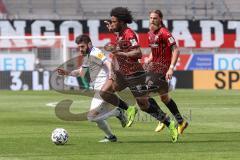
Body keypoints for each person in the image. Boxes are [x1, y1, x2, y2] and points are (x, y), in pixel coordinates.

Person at [101, 7, 178, 142]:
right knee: (104, 93)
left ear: (122, 22)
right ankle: (129, 109)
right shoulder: (120, 32)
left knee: (144, 105)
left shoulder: (129, 34)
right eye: (111, 22)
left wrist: (121, 53)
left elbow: (138, 53)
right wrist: (113, 30)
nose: (111, 24)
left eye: (114, 22)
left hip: (133, 73)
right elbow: (120, 41)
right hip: (121, 73)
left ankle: (168, 122)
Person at [57, 34, 127, 142]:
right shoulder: (88, 56)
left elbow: (107, 62)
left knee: (91, 117)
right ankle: (111, 137)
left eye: (82, 46)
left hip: (103, 89)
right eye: (79, 47)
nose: (80, 49)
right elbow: (80, 72)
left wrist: (110, 74)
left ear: (89, 44)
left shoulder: (95, 52)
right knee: (97, 118)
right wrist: (67, 73)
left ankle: (118, 112)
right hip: (98, 91)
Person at [145, 9, 188, 134]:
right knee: (164, 98)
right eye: (151, 18)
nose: (152, 20)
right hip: (154, 68)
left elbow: (176, 50)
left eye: (155, 18)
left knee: (143, 94)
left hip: (162, 69)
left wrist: (171, 68)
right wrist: (149, 58)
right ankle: (181, 122)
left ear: (160, 19)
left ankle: (162, 118)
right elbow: (155, 52)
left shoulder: (164, 33)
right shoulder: (150, 34)